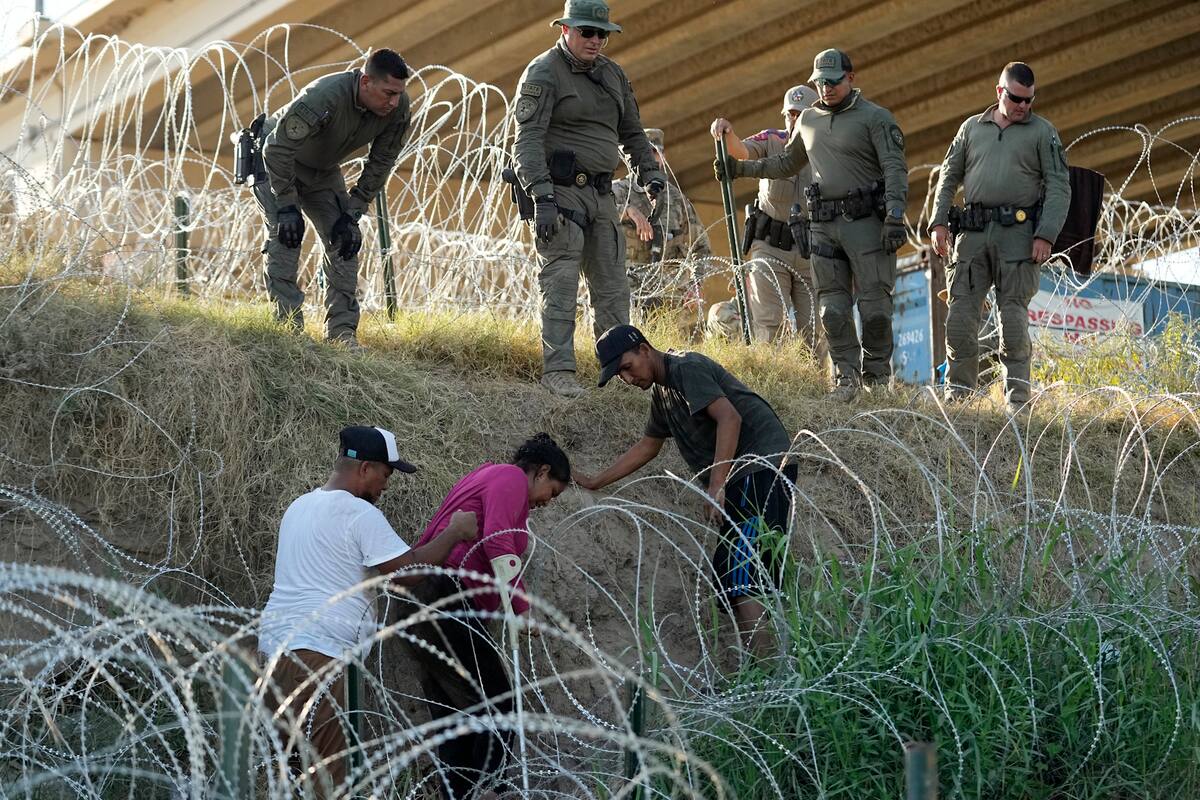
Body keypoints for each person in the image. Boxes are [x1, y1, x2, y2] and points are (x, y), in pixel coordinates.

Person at [258, 425, 479, 796]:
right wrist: (454, 532)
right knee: (330, 782)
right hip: (319, 659)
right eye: (385, 474)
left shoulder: (298, 507)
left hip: (272, 656)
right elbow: (408, 573)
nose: (386, 485)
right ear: (365, 469)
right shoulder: (358, 513)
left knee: (291, 778)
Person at [574, 325, 795, 658]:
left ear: (645, 349)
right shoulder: (663, 395)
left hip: (761, 466)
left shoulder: (686, 367)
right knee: (734, 572)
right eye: (619, 375)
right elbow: (648, 447)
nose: (627, 379)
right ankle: (768, 665)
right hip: (747, 474)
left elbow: (730, 418)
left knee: (742, 571)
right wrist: (595, 481)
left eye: (627, 368)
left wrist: (716, 483)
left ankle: (769, 673)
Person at [715, 49, 908, 401]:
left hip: (866, 225)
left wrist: (895, 215)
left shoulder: (876, 119)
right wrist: (740, 170)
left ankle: (877, 382)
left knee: (875, 309)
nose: (826, 89)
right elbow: (785, 163)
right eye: (819, 82)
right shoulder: (807, 121)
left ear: (851, 77)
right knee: (831, 311)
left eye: (833, 82)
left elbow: (895, 168)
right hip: (824, 227)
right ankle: (846, 381)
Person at [402, 433, 572, 800]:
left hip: (431, 603)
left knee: (457, 714)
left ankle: (459, 792)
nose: (548, 502)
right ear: (541, 472)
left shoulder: (488, 477)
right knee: (498, 703)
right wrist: (521, 610)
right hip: (444, 599)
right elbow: (497, 540)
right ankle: (487, 790)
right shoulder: (509, 477)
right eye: (553, 491)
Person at [513, 0, 667, 398]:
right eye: (587, 32)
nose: (596, 40)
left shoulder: (613, 75)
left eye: (602, 34)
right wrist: (541, 196)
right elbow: (526, 141)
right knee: (560, 284)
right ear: (565, 30)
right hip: (560, 193)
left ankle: (621, 376)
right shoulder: (544, 71)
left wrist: (649, 174)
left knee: (614, 290)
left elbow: (632, 133)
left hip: (601, 194)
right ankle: (559, 371)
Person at [928, 61, 1071, 411]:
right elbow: (948, 177)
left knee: (1012, 321)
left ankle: (1018, 401)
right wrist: (938, 221)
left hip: (1018, 237)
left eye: (1029, 100)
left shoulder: (1042, 132)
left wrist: (1046, 234)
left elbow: (1059, 186)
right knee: (961, 318)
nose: (1023, 106)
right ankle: (958, 399)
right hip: (972, 236)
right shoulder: (971, 128)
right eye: (1016, 98)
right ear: (999, 92)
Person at [256, 48, 412, 345]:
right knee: (286, 236)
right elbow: (276, 149)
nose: (394, 102)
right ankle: (287, 333)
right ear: (366, 82)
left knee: (345, 241)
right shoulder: (325, 95)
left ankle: (341, 334)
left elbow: (382, 161)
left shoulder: (398, 108)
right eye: (388, 93)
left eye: (398, 94)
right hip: (276, 163)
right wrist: (287, 206)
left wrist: (353, 212)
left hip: (321, 171)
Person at [711, 85, 826, 359]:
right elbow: (740, 151)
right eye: (791, 114)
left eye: (802, 115)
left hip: (811, 252)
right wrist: (726, 131)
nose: (795, 120)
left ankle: (817, 393)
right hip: (771, 247)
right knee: (770, 323)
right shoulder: (772, 140)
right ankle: (774, 384)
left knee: (815, 332)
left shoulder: (828, 150)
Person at [612, 128, 712, 323]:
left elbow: (701, 247)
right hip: (627, 291)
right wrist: (627, 211)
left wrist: (696, 284)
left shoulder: (677, 200)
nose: (652, 159)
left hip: (668, 296)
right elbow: (593, 213)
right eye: (647, 153)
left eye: (656, 153)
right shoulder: (619, 191)